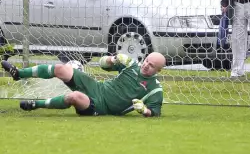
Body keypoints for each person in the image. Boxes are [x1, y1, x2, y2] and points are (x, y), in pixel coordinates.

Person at [1, 52, 165, 116]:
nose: (145, 65)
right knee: (61, 69)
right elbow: (102, 64)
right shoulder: (131, 66)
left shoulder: (155, 89)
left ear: (158, 70)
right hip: (97, 87)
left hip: (101, 107)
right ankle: (19, 74)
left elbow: (155, 112)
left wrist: (144, 110)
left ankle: (36, 104)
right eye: (146, 61)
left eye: (151, 65)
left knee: (74, 97)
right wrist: (112, 59)